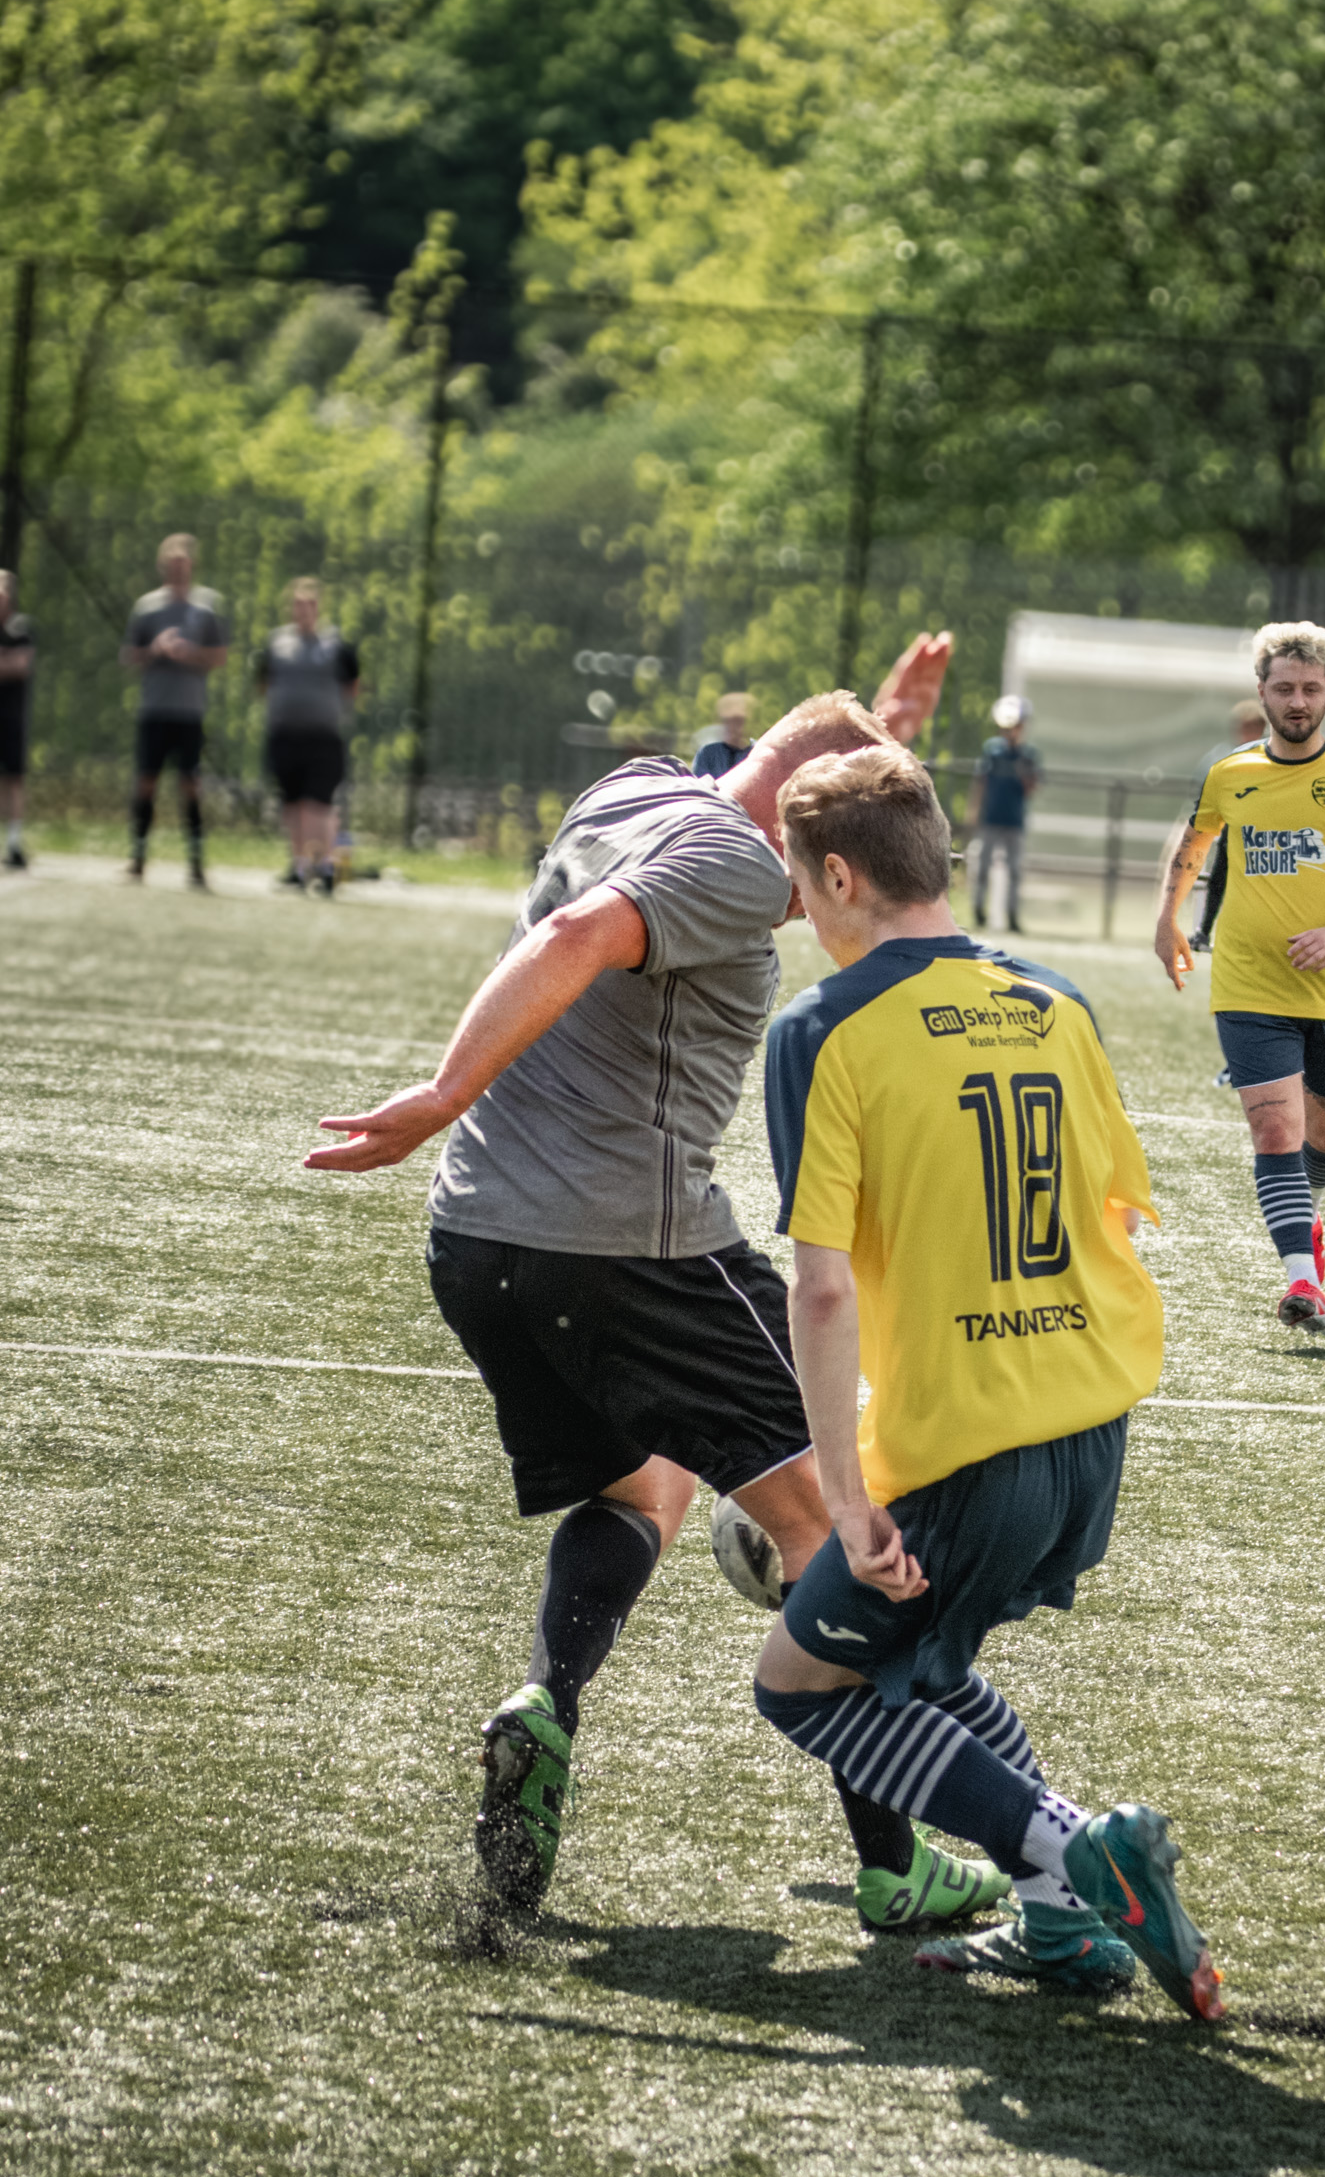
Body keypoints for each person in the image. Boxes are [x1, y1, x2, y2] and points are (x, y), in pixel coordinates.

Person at [302, 640, 1009, 1941]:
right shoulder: (741, 865)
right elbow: (585, 931)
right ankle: (897, 1864)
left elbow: (754, 779)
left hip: (479, 1240)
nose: (825, 900)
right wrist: (437, 1093)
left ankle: (546, 1706)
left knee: (643, 1486)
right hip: (626, 1243)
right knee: (825, 1519)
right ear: (806, 832)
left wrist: (882, 735)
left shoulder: (634, 790)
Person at [754, 741, 1224, 2020]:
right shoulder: (1054, 1001)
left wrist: (846, 1495)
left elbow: (825, 1286)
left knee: (797, 1687)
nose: (797, 909)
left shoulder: (822, 1030)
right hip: (1089, 1430)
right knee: (928, 1662)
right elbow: (1114, 1219)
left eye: (799, 884)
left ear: (839, 876)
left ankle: (1076, 1858)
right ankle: (1066, 1930)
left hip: (969, 1450)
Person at [1153, 621, 1325, 1332]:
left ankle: (1309, 1217)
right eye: (1283, 688)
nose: (1297, 701)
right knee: (1274, 1132)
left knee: (1324, 1133)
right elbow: (1194, 840)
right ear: (1261, 691)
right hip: (1246, 982)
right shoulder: (1230, 773)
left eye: (1310, 689)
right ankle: (1303, 1284)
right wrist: (1166, 917)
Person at [122, 533, 229, 890]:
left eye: (184, 565)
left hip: (189, 711)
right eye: (172, 565)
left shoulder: (207, 607)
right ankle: (138, 858)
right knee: (146, 781)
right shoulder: (147, 607)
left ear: (192, 566)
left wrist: (190, 653)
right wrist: (155, 649)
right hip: (154, 707)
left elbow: (219, 656)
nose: (178, 571)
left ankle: (196, 863)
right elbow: (129, 656)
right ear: (162, 566)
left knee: (191, 784)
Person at [259, 578, 360, 896]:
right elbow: (263, 682)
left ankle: (326, 866)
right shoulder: (277, 643)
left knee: (319, 803)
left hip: (323, 736)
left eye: (310, 605)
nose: (304, 611)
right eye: (298, 605)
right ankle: (300, 867)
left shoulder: (335, 645)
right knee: (292, 803)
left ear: (318, 608)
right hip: (285, 734)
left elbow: (352, 684)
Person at [1186, 697, 1266, 955]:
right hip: (1232, 829)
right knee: (1218, 878)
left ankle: (1255, 935)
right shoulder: (1224, 757)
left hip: (1261, 833)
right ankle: (1204, 930)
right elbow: (1206, 792)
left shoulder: (1270, 755)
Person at [966, 692, 1040, 933]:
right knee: (982, 867)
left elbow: (1031, 788)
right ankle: (978, 911)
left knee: (1015, 871)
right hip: (991, 819)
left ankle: (1012, 915)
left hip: (1014, 821)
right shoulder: (992, 750)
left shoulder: (1028, 755)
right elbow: (981, 782)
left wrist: (1021, 769)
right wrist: (974, 811)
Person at [0, 571, 35, 870]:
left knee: (14, 780)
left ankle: (13, 842)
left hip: (10, 716)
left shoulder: (20, 628)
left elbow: (20, 666)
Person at [692, 693, 755, 780]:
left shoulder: (758, 752)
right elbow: (699, 786)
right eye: (728, 720)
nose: (733, 726)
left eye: (738, 720)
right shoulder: (707, 752)